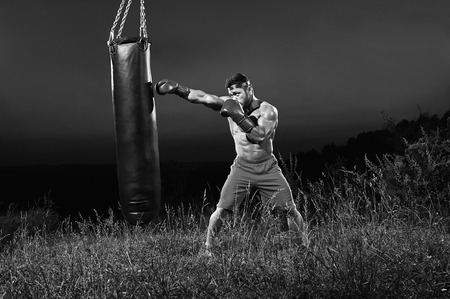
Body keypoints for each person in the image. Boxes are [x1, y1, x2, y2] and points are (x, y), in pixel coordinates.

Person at [155, 73, 306, 254]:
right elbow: (203, 97)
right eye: (231, 93)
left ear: (249, 88)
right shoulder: (229, 103)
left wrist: (237, 115)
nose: (234, 97)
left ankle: (303, 250)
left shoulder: (268, 110)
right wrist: (178, 89)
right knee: (222, 211)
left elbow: (258, 136)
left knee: (289, 210)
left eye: (238, 92)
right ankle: (208, 251)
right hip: (242, 167)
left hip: (267, 167)